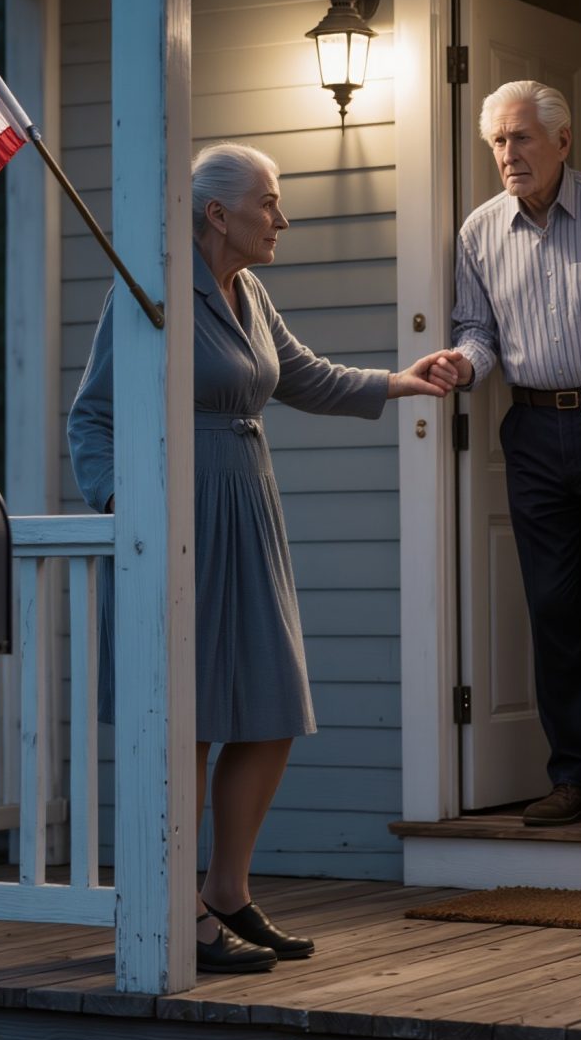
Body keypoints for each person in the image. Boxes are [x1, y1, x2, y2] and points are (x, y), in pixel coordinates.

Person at [68, 143, 451, 975]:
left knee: (271, 707)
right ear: (218, 214)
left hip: (249, 509)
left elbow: (299, 375)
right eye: (270, 203)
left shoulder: (251, 291)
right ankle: (178, 918)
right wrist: (119, 506)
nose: (281, 218)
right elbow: (91, 417)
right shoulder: (151, 291)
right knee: (189, 717)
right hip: (176, 518)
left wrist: (398, 381)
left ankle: (226, 891)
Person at [428, 80, 581, 828]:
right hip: (530, 432)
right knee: (552, 607)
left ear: (562, 140)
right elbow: (478, 332)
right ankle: (576, 778)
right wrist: (463, 364)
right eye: (497, 142)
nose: (508, 154)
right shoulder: (479, 231)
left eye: (521, 138)